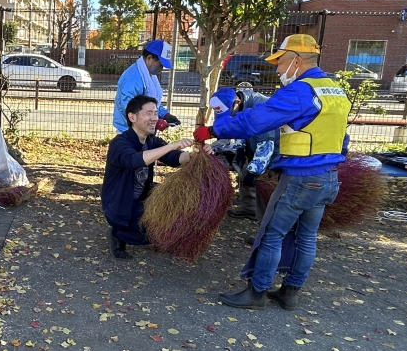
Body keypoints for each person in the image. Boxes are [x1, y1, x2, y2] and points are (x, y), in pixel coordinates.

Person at [194, 34, 350, 311]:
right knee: (306, 236)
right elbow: (343, 138)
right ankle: (290, 292)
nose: (277, 69)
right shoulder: (334, 90)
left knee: (271, 234)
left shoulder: (300, 92)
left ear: (296, 60)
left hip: (301, 177)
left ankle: (257, 293)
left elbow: (256, 121)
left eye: (280, 62)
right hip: (328, 177)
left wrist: (214, 130)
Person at [102, 94, 203, 259]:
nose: (154, 118)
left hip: (142, 200)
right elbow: (134, 160)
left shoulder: (152, 141)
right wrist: (171, 145)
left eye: (156, 113)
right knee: (158, 234)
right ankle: (117, 234)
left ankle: (145, 231)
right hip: (120, 205)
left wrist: (195, 155)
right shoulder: (120, 143)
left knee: (175, 216)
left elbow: (175, 158)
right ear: (132, 117)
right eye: (149, 113)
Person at [219, 83, 279, 223]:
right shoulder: (241, 106)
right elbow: (242, 128)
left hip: (273, 152)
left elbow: (266, 145)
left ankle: (266, 233)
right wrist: (240, 148)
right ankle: (250, 209)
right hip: (254, 144)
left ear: (236, 102)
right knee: (246, 173)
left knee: (265, 187)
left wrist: (254, 172)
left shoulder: (261, 109)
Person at [113, 40, 180, 134]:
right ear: (149, 58)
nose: (161, 68)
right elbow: (129, 107)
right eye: (160, 64)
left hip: (142, 131)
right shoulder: (133, 78)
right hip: (129, 132)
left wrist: (165, 115)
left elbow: (151, 102)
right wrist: (154, 121)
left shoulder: (148, 75)